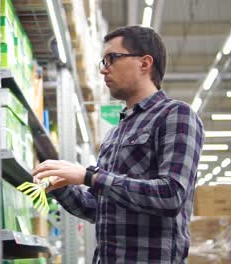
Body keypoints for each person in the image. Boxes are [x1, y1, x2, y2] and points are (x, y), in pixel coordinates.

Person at [33, 25, 204, 263]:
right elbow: (96, 208)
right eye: (103, 61)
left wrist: (89, 176)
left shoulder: (176, 115)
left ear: (145, 63)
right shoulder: (115, 133)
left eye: (111, 58)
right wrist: (60, 184)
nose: (104, 70)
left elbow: (170, 195)